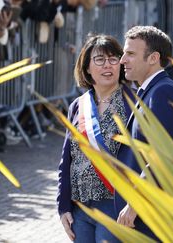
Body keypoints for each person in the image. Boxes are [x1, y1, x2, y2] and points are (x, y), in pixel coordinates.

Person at [116, 26, 173, 240]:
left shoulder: (162, 92)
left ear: (153, 58)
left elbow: (164, 155)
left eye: (130, 53)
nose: (122, 60)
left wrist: (135, 202)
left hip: (154, 214)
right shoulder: (152, 91)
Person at [57, 34, 134, 243]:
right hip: (80, 207)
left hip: (115, 205)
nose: (107, 65)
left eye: (113, 58)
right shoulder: (78, 105)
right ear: (87, 68)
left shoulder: (132, 103)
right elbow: (67, 159)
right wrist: (63, 206)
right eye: (99, 60)